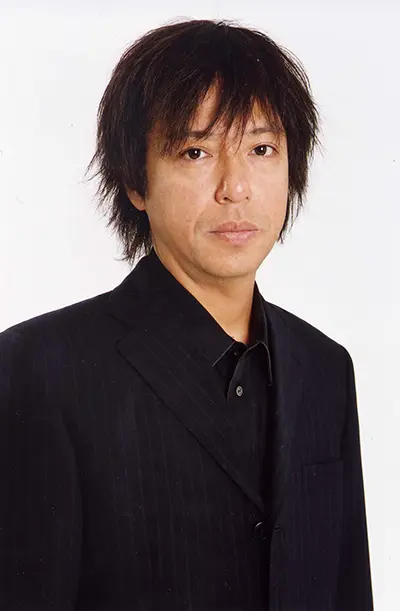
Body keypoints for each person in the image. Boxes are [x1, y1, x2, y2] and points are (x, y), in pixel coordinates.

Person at [0, 18, 373, 611]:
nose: (236, 188)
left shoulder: (325, 367)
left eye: (261, 149)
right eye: (196, 152)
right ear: (135, 181)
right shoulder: (39, 369)